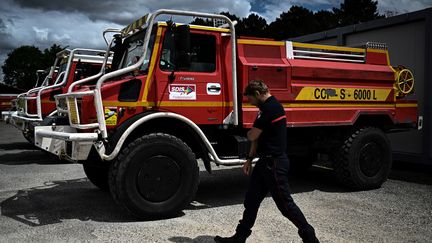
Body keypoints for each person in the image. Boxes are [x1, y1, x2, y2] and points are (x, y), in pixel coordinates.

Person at [214, 80, 319, 243]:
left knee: (285, 205)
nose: (250, 103)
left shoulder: (271, 108)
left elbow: (253, 136)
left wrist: (248, 134)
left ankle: (309, 236)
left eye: (250, 99)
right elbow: (257, 138)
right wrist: (249, 159)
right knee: (251, 200)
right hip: (265, 162)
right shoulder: (264, 109)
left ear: (257, 94)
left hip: (275, 163)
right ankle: (240, 237)